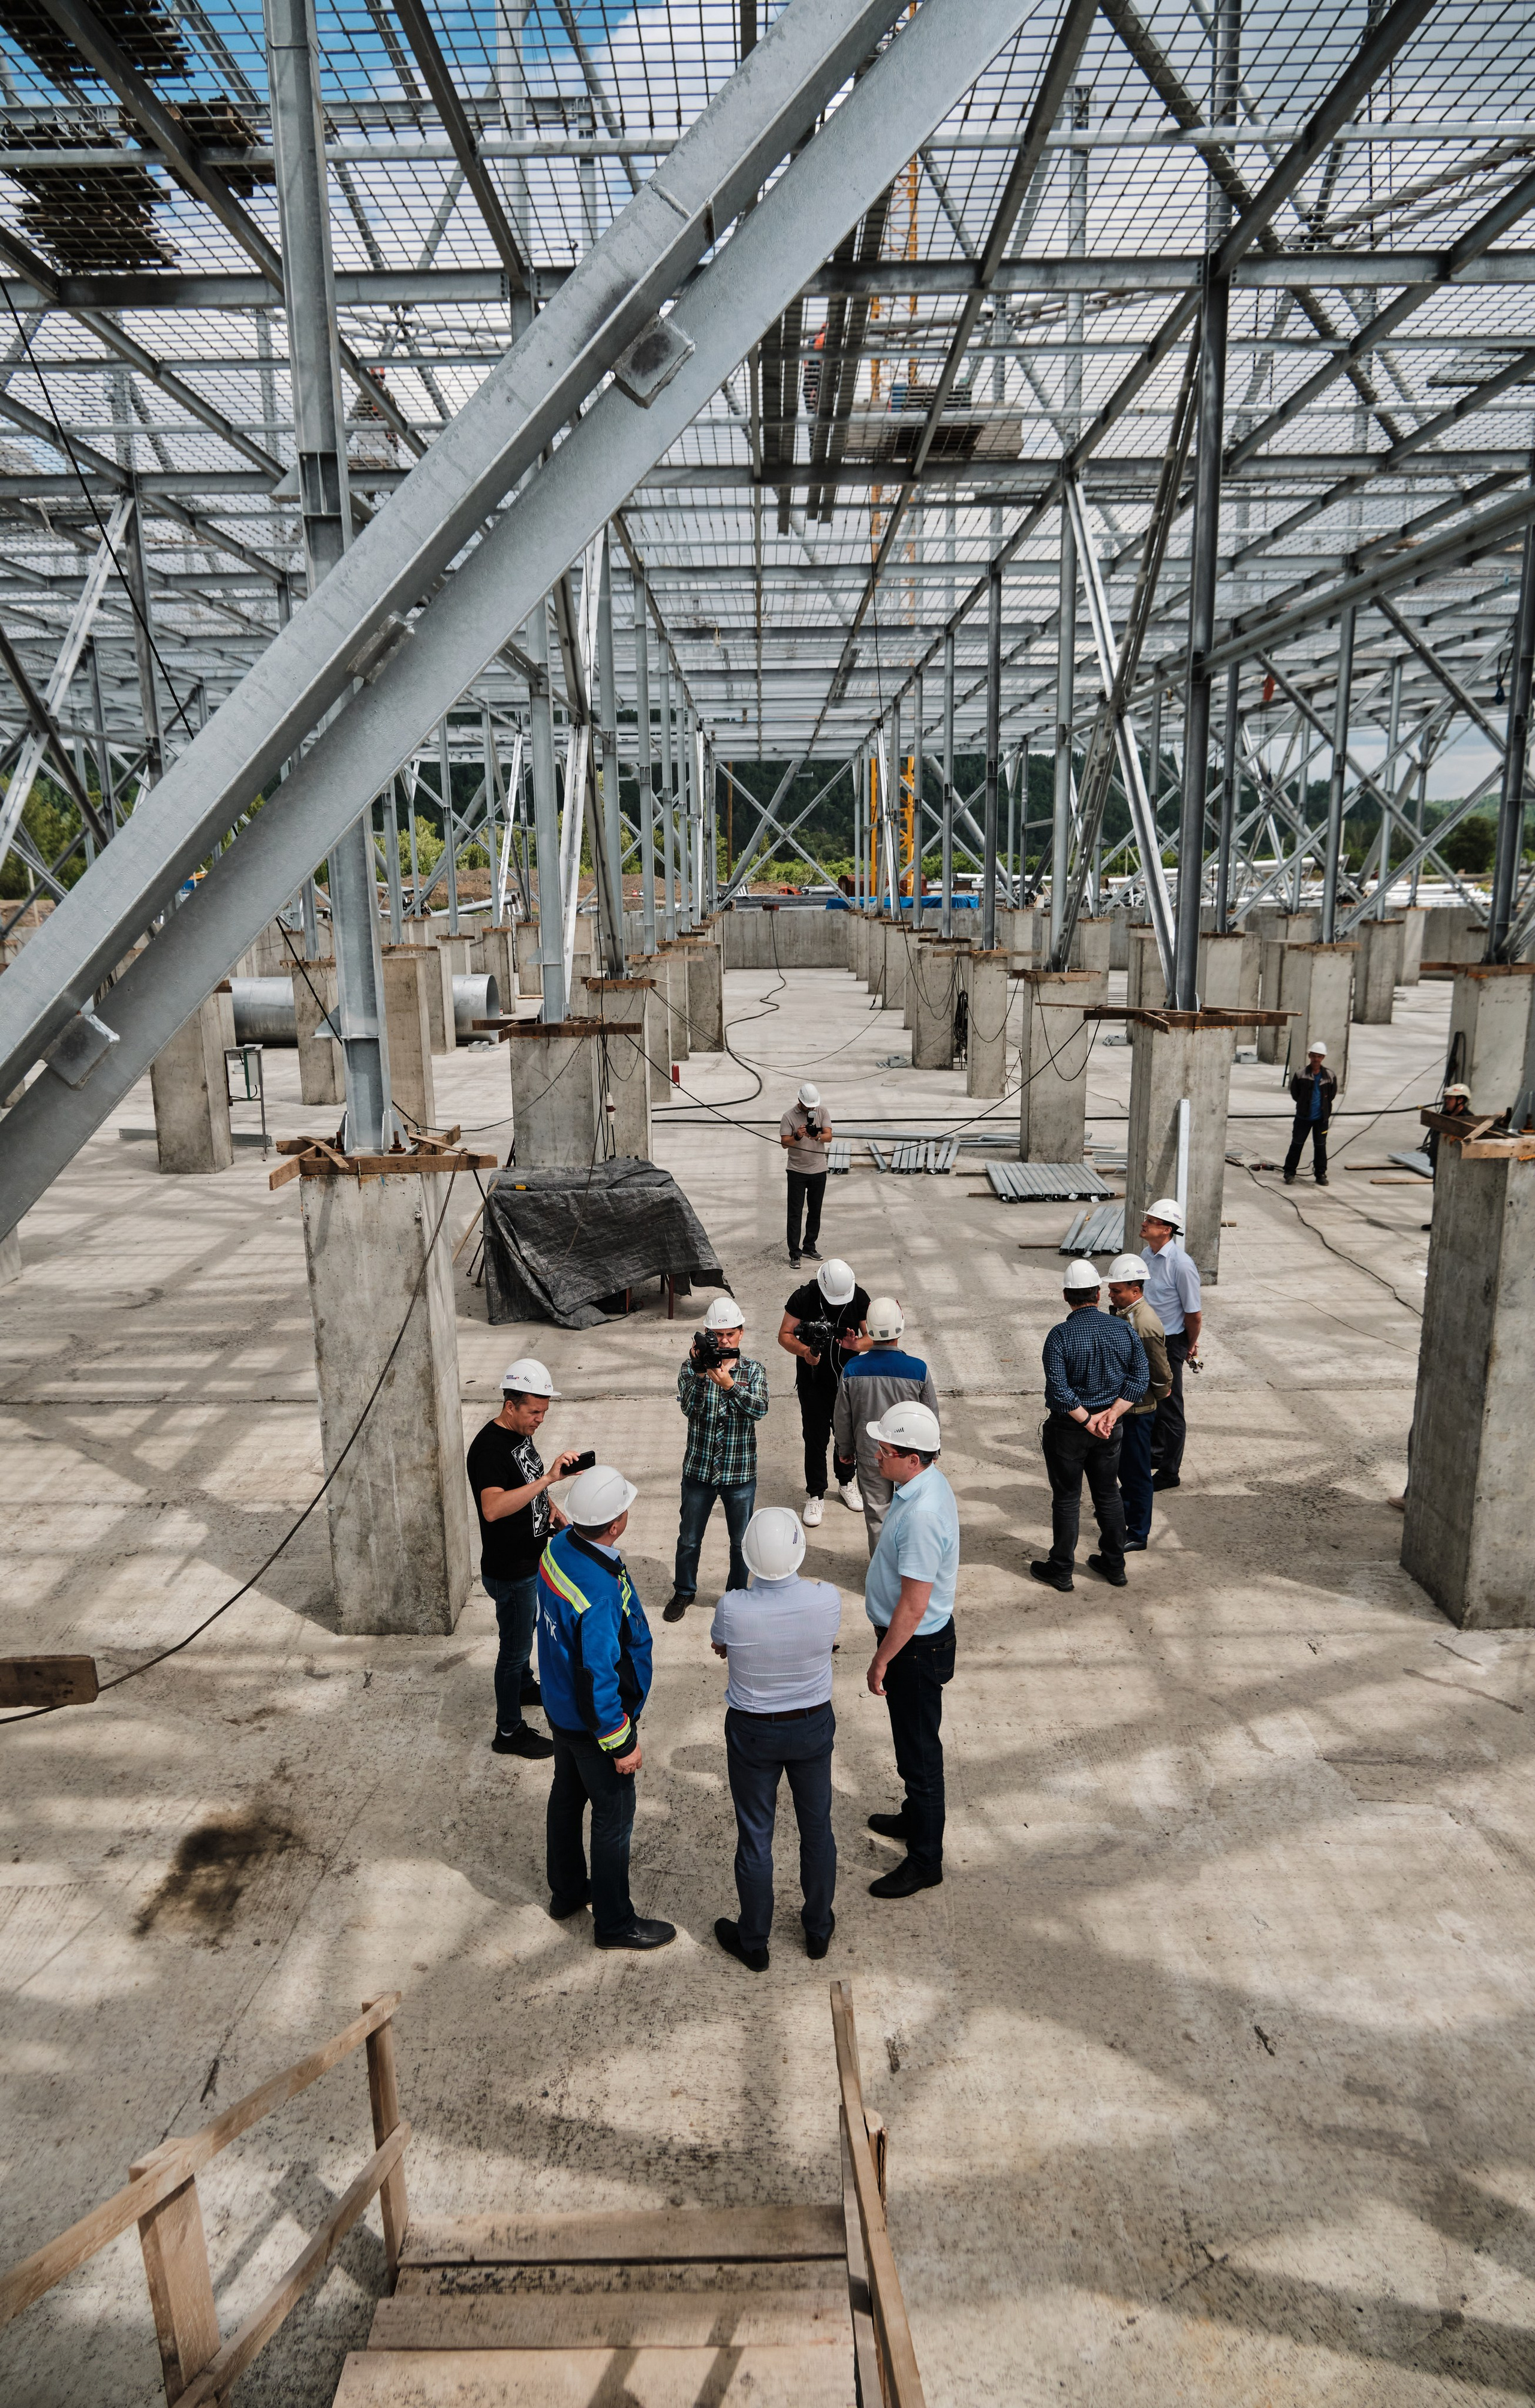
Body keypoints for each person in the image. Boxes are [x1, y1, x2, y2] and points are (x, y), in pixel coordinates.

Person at [538, 1462, 675, 1951]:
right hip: (596, 1725)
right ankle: (615, 1923)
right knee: (613, 1820)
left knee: (566, 1799)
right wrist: (621, 1742)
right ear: (615, 1524)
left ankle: (568, 1892)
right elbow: (598, 1673)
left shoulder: (556, 1549)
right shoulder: (597, 1591)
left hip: (560, 1711)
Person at [710, 1507, 842, 1971]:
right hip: (810, 1727)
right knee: (817, 1830)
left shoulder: (732, 1607)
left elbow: (721, 1643)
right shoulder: (827, 1600)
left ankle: (755, 1940)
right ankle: (818, 1929)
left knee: (755, 1838)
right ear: (798, 1553)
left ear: (749, 1558)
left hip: (753, 1732)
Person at [862, 1401, 959, 1900]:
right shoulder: (921, 1483)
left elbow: (914, 1605)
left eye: (887, 1449)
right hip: (915, 1647)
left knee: (921, 1757)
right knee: (911, 1746)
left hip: (914, 1651)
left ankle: (926, 1861)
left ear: (914, 1458)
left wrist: (883, 1659)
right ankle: (913, 1817)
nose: (878, 1454)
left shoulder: (920, 1514)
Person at [465, 1357, 584, 1760]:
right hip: (510, 1569)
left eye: (544, 1412)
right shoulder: (488, 1450)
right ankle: (509, 1730)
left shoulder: (520, 1435)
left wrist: (549, 1504)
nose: (540, 1420)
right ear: (510, 1405)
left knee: (522, 1634)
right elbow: (494, 1508)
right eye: (534, 1412)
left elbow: (527, 1477)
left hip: (529, 1560)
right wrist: (549, 1480)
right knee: (513, 1649)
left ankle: (524, 1685)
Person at [1031, 1260, 1148, 1593]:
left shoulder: (1060, 1335)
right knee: (1109, 1495)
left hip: (1069, 1430)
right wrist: (1111, 1415)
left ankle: (1062, 1570)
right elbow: (1141, 1377)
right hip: (1110, 1430)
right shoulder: (1123, 1328)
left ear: (1067, 1296)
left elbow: (1059, 1389)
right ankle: (1114, 1565)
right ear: (1098, 1294)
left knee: (1067, 1500)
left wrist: (1087, 1421)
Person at [666, 1295, 769, 1624]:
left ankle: (737, 1594)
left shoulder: (753, 1370)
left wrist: (729, 1386)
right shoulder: (691, 1369)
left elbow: (759, 1409)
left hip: (739, 1474)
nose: (724, 1341)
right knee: (689, 1538)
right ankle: (684, 1590)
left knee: (740, 1543)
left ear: (741, 1333)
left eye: (730, 1334)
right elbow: (688, 1409)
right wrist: (701, 1374)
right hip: (699, 1471)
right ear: (706, 1335)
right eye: (717, 1335)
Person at [833, 1296, 939, 1555]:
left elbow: (842, 1416)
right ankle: (909, 1571)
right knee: (911, 1514)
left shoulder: (852, 1369)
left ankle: (883, 1576)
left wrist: (844, 1449)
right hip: (911, 1458)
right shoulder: (918, 1369)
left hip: (872, 1454)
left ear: (869, 1329)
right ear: (901, 1327)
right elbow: (931, 1414)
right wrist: (932, 1452)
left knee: (878, 1515)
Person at [778, 1257, 869, 1527]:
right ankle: (815, 1494)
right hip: (813, 1382)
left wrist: (857, 1345)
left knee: (847, 1437)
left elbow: (874, 1337)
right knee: (815, 1438)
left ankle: (846, 1481)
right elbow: (784, 1334)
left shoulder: (860, 1296)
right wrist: (805, 1351)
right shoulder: (803, 1297)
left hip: (849, 1382)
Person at [1105, 1254, 1172, 1554]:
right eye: (1111, 1290)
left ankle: (1139, 1532)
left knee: (1137, 1473)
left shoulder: (1144, 1324)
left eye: (1117, 1291)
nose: (1111, 1295)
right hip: (1127, 1406)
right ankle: (1126, 1513)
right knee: (1126, 1469)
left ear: (1136, 1290)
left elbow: (1160, 1372)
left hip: (1138, 1410)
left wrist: (1157, 1396)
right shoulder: (1126, 1314)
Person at [1139, 1196, 1200, 1492]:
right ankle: (1157, 1453)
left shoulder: (1182, 1266)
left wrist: (1191, 1344)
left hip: (1171, 1340)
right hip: (1147, 1336)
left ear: (1166, 1230)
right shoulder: (1147, 1255)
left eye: (1151, 1221)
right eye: (1147, 1220)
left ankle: (1169, 1471)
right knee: (1151, 1399)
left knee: (1171, 1407)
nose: (1145, 1224)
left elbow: (1194, 1314)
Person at [781, 1080, 833, 1266]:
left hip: (819, 1170)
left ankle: (810, 1246)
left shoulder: (823, 1112)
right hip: (796, 1171)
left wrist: (816, 1136)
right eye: (807, 1106)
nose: (811, 1108)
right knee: (795, 1213)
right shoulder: (788, 1116)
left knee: (815, 1211)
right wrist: (797, 1135)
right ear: (799, 1101)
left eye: (813, 1106)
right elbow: (784, 1143)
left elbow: (829, 1135)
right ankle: (795, 1253)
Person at [1284, 1039, 1338, 1187]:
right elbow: (1295, 1094)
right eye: (1313, 1056)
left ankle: (1320, 1174)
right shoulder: (1301, 1074)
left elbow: (1332, 1095)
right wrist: (1304, 1106)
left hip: (1321, 1118)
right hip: (1303, 1117)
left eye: (1319, 1057)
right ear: (1310, 1056)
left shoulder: (1330, 1076)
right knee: (1297, 1144)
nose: (1316, 1059)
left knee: (1320, 1146)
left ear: (1323, 1058)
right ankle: (1289, 1172)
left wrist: (1323, 1109)